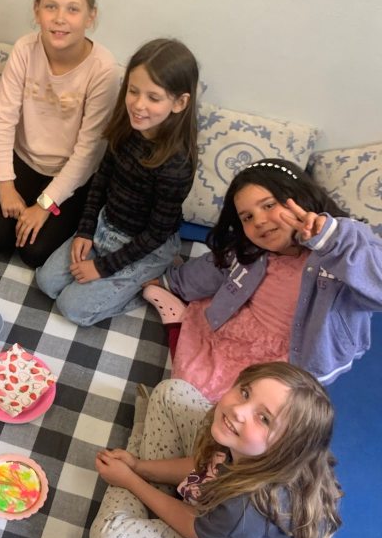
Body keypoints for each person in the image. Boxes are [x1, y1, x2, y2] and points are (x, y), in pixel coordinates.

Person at [83, 363, 342, 538]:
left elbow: (194, 527)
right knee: (170, 393)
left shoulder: (246, 513)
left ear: (284, 450)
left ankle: (139, 459)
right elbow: (206, 465)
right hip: (220, 510)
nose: (238, 410)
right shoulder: (243, 441)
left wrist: (130, 480)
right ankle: (147, 506)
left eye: (264, 418)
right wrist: (139, 467)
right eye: (245, 392)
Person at [144, 158, 382, 401]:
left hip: (294, 355)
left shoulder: (344, 242)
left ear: (299, 198)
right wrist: (170, 282)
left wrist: (333, 242)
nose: (258, 221)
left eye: (268, 205)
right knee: (191, 381)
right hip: (240, 330)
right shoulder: (251, 249)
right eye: (247, 217)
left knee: (250, 407)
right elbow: (215, 268)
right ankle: (176, 326)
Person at [36, 39, 197, 325]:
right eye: (133, 91)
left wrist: (102, 267)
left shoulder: (177, 165)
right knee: (46, 282)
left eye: (153, 98)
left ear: (179, 103)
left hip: (146, 246)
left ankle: (152, 283)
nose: (138, 105)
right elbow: (101, 180)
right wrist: (85, 230)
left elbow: (156, 233)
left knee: (72, 308)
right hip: (105, 225)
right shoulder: (126, 127)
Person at [0, 0, 121, 268]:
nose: (60, 18)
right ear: (36, 10)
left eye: (73, 9)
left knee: (34, 253)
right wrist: (5, 184)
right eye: (51, 6)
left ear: (90, 17)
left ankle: (64, 213)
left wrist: (44, 205)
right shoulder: (25, 49)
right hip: (24, 160)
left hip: (71, 173)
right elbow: (3, 121)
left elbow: (88, 152)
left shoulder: (103, 69)